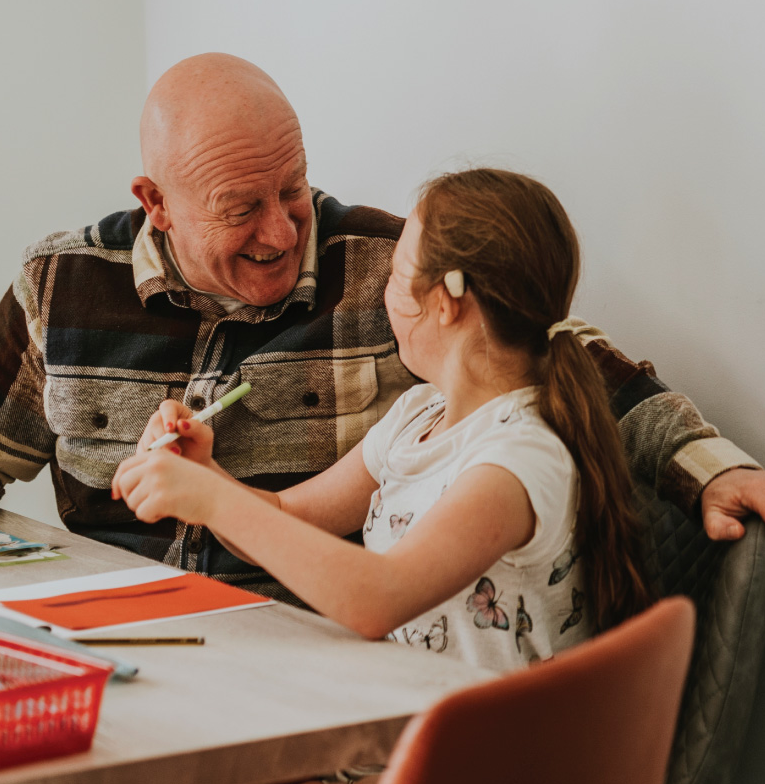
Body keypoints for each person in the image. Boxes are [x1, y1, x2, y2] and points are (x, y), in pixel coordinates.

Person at [0, 53, 765, 592]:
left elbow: (565, 359)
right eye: (242, 208)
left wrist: (709, 463)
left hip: (319, 663)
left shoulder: (390, 271)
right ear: (155, 202)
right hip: (126, 644)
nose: (283, 232)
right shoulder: (63, 282)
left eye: (294, 186)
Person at [114, 167, 654, 665]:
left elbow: (378, 598)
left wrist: (212, 500)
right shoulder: (417, 417)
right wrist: (206, 474)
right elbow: (287, 516)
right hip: (395, 719)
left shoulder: (517, 460)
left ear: (445, 303)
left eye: (396, 276)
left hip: (475, 755)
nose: (386, 295)